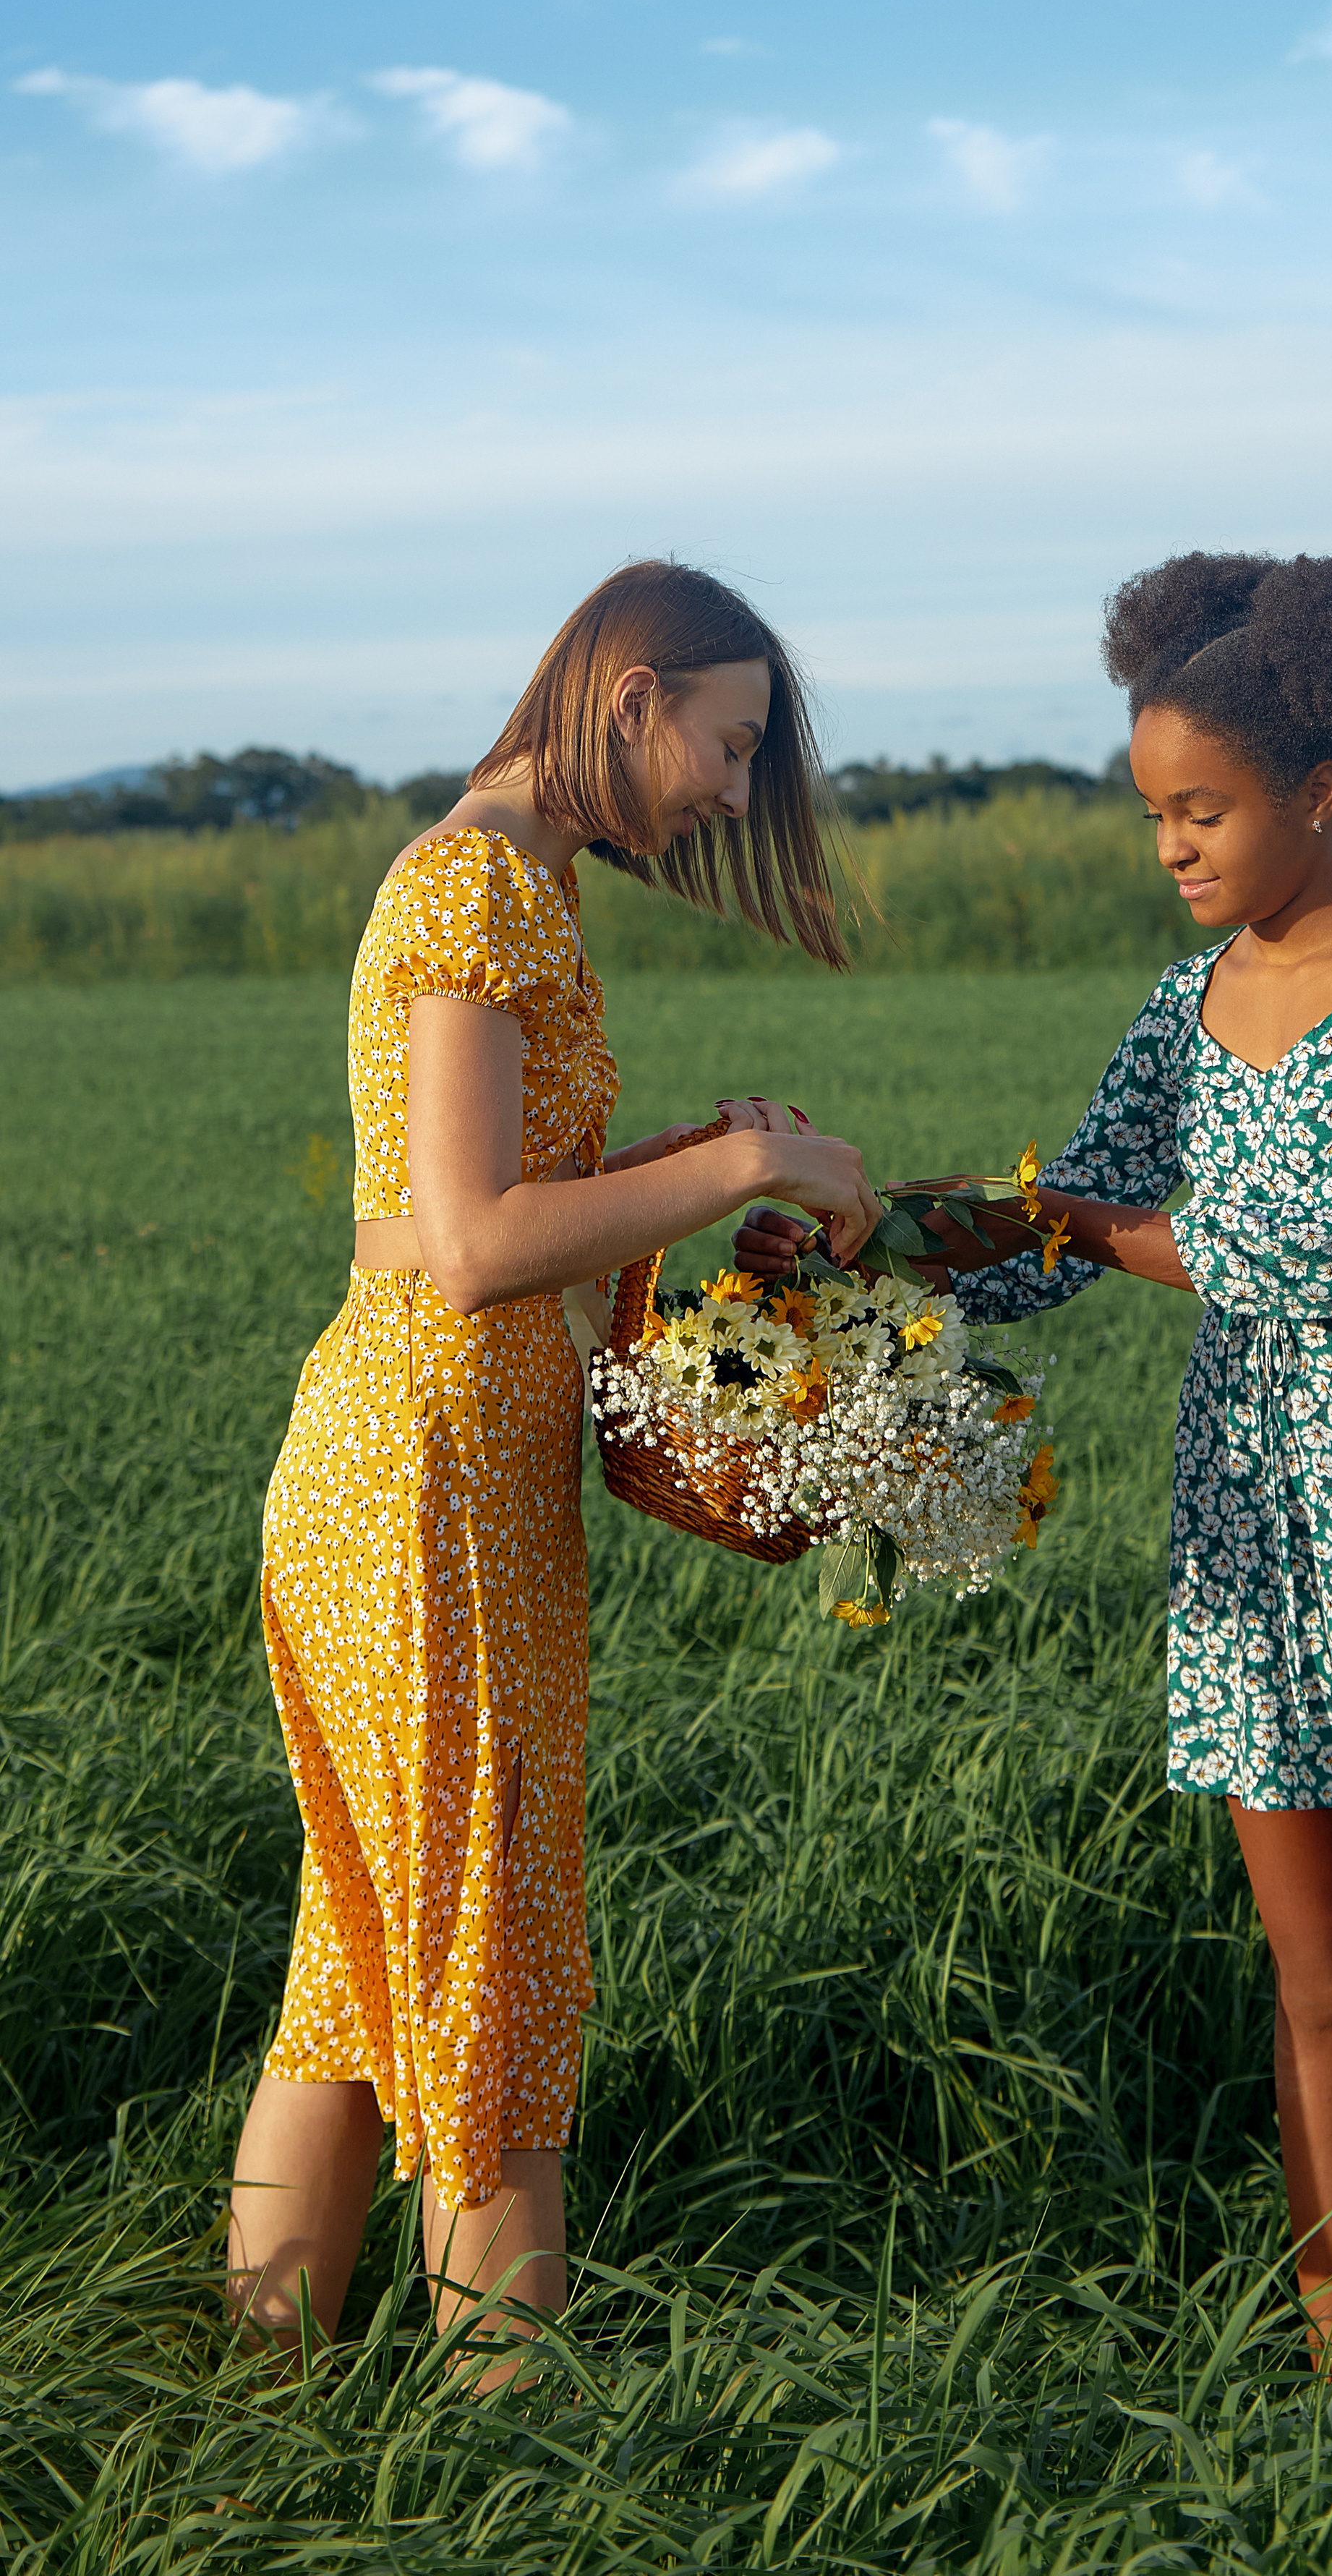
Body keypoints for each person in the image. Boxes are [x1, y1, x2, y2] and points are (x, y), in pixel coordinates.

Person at [739, 551, 1332, 2387]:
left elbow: (1307, 1247)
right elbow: (1051, 1225)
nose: (1171, 844)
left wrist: (1083, 1218)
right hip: (1254, 1523)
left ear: (1315, 788)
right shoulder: (1184, 1003)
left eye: (1203, 808)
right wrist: (881, 1245)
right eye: (1152, 812)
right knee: (1320, 1983)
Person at [229, 560, 882, 2376]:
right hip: (423, 1480)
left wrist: (692, 1149)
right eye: (729, 746)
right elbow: (468, 1240)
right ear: (630, 699)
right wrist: (745, 1176)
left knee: (363, 1970)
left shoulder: (519, 886)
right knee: (483, 1958)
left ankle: (254, 2395)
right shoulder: (473, 889)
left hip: (439, 1470)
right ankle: (511, 2451)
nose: (733, 796)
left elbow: (518, 1209)